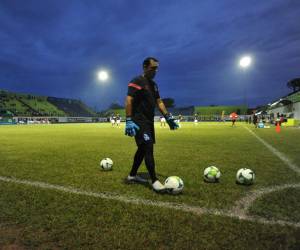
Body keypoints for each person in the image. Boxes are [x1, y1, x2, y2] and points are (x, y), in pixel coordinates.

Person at [124, 57, 179, 193]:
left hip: (149, 121)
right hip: (139, 121)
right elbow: (129, 100)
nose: (155, 71)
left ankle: (132, 176)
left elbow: (159, 102)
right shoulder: (137, 81)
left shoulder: (153, 85)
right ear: (144, 67)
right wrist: (129, 120)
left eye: (157, 68)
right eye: (153, 68)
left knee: (142, 149)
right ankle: (154, 181)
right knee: (148, 147)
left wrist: (167, 117)